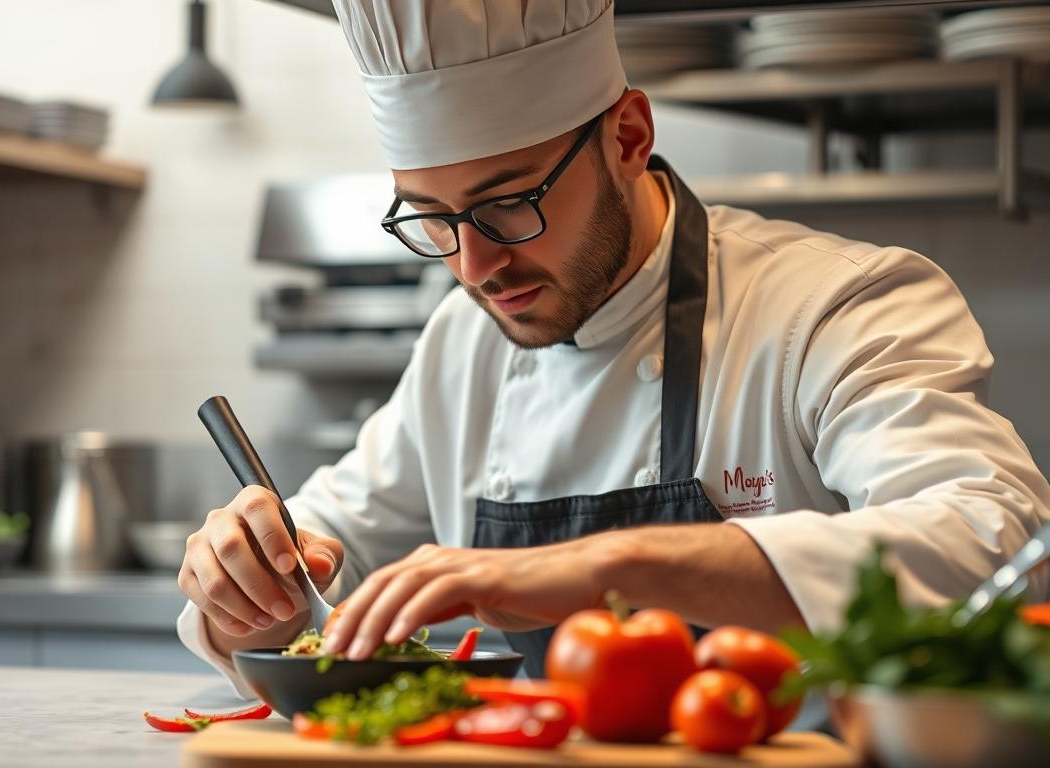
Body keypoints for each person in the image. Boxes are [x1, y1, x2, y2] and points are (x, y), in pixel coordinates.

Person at [176, 0, 1050, 695]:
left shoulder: (832, 306)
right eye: (433, 219)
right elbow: (329, 542)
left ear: (629, 136)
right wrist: (253, 588)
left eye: (509, 203)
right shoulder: (463, 345)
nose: (475, 267)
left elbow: (992, 536)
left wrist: (611, 566)